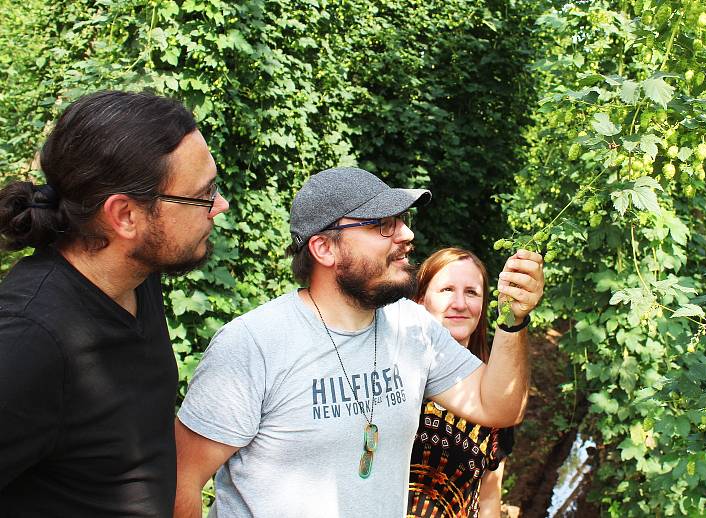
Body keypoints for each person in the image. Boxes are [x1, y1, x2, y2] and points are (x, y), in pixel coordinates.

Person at [174, 166, 544, 518]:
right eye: (383, 225)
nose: (406, 235)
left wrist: (513, 322)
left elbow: (498, 406)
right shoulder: (253, 345)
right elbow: (181, 482)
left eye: (402, 221)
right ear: (324, 249)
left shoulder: (412, 326)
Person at [0, 90, 229, 517]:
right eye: (203, 194)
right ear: (124, 215)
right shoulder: (29, 339)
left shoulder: (138, 277)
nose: (220, 206)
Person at [408, 248, 515, 518]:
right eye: (446, 290)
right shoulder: (394, 379)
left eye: (471, 292)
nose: (459, 303)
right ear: (420, 301)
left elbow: (489, 494)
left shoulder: (493, 396)